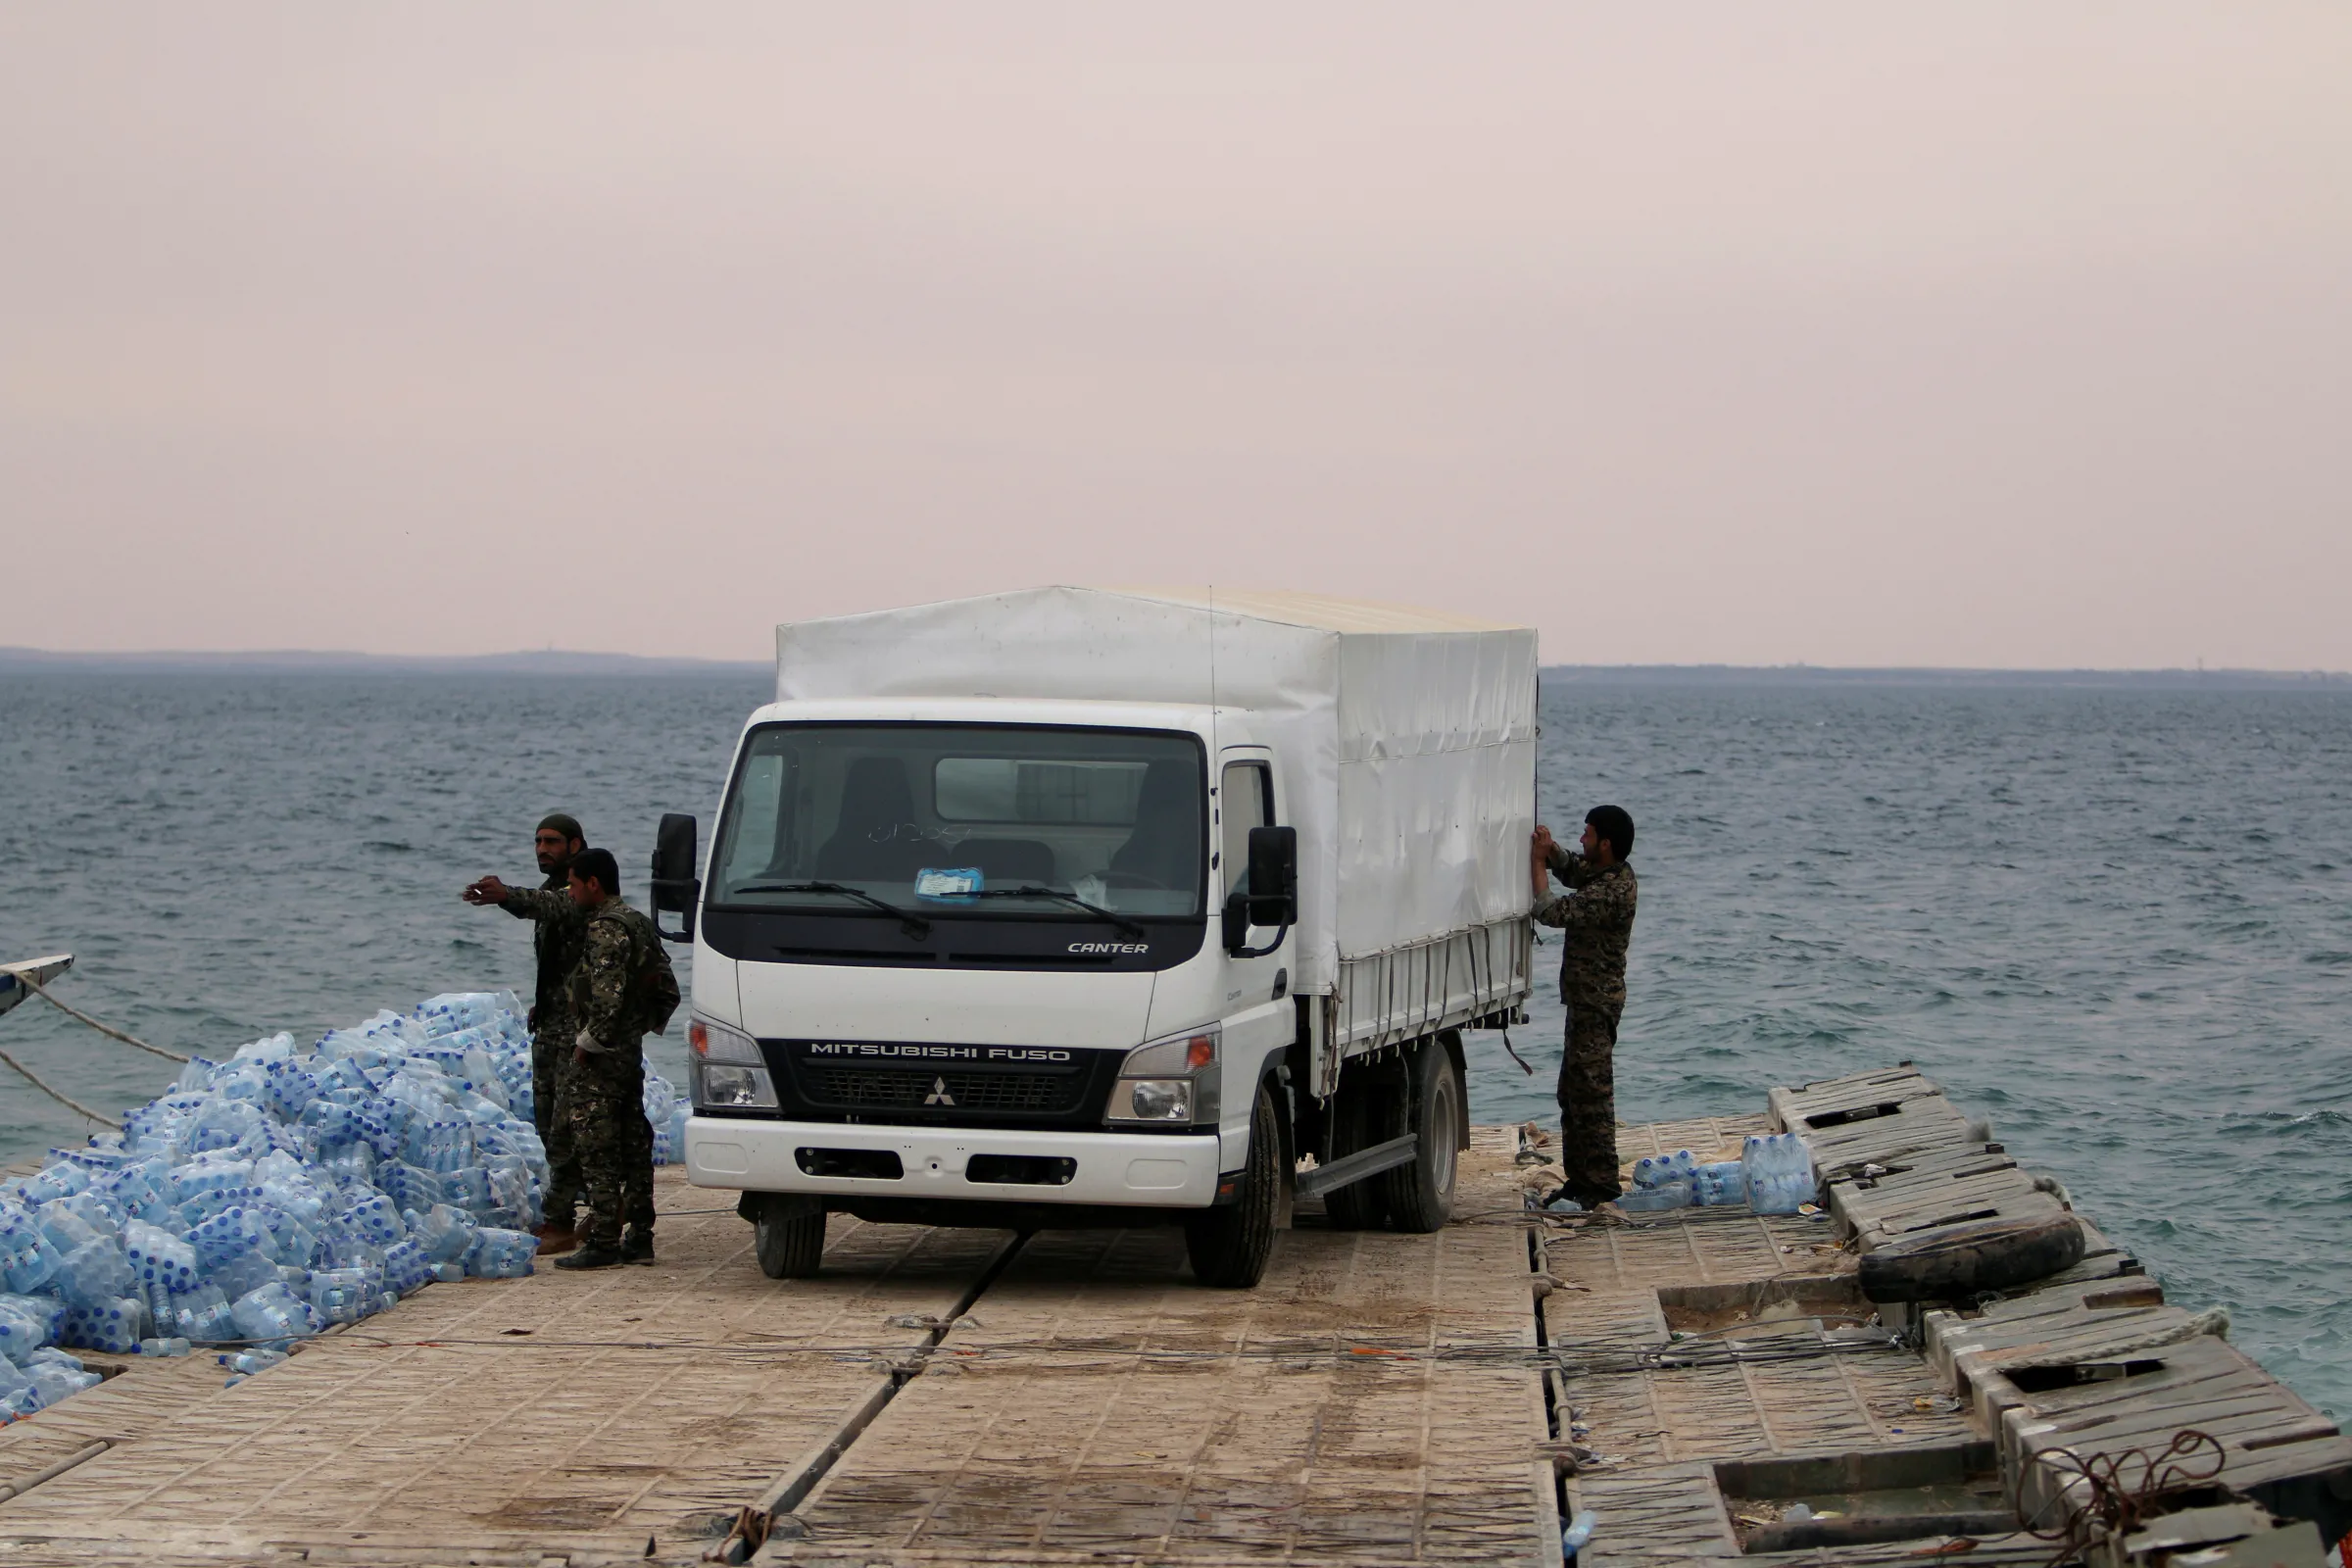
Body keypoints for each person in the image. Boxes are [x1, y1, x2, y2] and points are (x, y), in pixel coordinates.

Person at [462, 812, 590, 1254]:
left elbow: (552, 907)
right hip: (554, 1023)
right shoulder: (556, 888)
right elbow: (564, 955)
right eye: (537, 841)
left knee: (565, 1127)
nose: (541, 849)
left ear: (575, 845)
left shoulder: (584, 887)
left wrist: (506, 896)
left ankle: (561, 1222)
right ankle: (589, 1210)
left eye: (552, 841)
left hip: (578, 1033)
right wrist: (546, 1000)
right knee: (547, 1119)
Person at [553, 847, 679, 1271]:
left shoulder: (604, 929)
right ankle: (640, 1236)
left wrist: (587, 1044)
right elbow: (668, 991)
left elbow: (606, 1001)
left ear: (593, 884)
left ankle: (604, 1239)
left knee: (596, 1146)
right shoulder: (639, 923)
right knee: (633, 1143)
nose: (569, 893)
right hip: (628, 1055)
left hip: (600, 1060)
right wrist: (634, 1032)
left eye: (572, 884)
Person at [1531, 806, 1639, 1210]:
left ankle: (1602, 1185)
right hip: (1585, 1002)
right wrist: (1551, 850)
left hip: (1597, 1005)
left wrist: (1537, 863)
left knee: (1592, 1096)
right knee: (1573, 1092)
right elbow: (1575, 870)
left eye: (1588, 835)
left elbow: (1550, 911)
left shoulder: (1612, 890)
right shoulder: (1606, 874)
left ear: (1606, 844)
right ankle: (1580, 1180)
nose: (1582, 841)